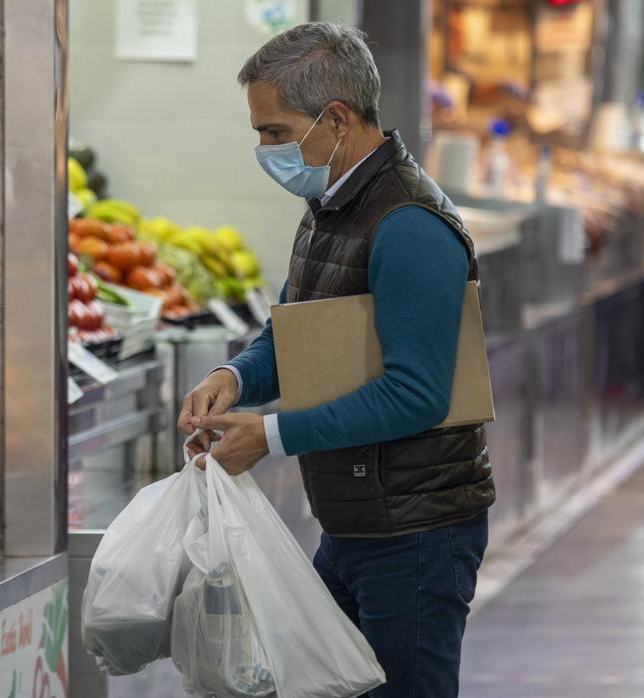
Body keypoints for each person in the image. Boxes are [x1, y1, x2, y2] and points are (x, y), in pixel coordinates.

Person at [177, 22, 495, 698]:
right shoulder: (330, 206)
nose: (264, 149)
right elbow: (296, 332)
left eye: (274, 131)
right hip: (355, 523)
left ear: (337, 119)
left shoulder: (408, 225)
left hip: (416, 534)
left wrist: (269, 435)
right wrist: (234, 377)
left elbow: (417, 394)